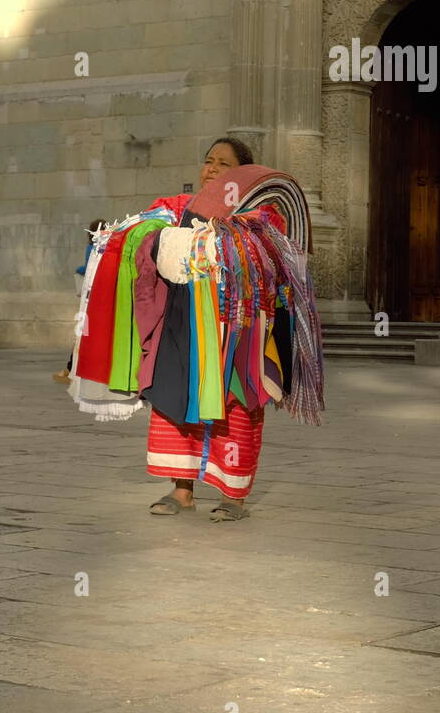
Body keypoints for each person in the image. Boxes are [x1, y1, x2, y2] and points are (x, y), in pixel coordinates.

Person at [70, 136, 324, 524]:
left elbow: (267, 253)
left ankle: (233, 496)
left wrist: (216, 240)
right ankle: (182, 489)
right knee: (175, 395)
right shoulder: (176, 207)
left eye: (223, 164)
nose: (211, 170)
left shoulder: (262, 213)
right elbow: (142, 230)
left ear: (241, 173)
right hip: (183, 323)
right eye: (208, 161)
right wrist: (160, 236)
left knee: (235, 404)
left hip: (236, 328)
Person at [53, 219, 103, 384]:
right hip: (101, 300)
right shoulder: (107, 248)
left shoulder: (92, 248)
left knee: (82, 333)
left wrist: (78, 270)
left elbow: (88, 268)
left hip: (89, 300)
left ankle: (72, 367)